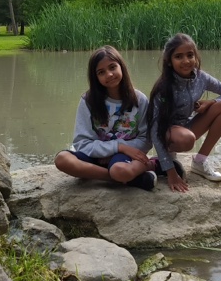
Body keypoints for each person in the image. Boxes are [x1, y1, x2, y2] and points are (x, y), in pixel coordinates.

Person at [55, 46, 157, 191]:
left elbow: (145, 139)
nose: (109, 74)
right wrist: (118, 146)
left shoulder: (139, 100)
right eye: (101, 72)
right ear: (95, 77)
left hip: (122, 159)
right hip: (96, 156)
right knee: (62, 159)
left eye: (112, 67)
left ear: (121, 66)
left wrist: (123, 150)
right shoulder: (88, 101)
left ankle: (151, 165)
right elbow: (81, 143)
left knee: (119, 170)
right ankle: (120, 179)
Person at [148, 33, 221, 193]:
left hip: (187, 125)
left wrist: (211, 102)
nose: (186, 61)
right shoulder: (163, 87)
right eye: (178, 56)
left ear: (196, 56)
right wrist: (171, 171)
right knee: (187, 139)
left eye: (190, 55)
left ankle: (200, 161)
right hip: (167, 132)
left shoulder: (201, 78)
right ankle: (167, 158)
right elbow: (154, 129)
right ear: (169, 61)